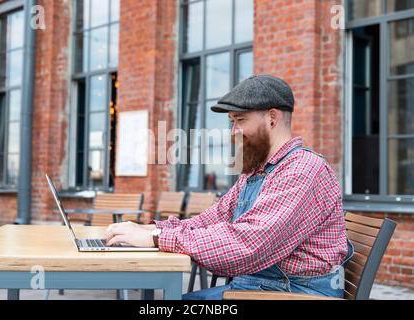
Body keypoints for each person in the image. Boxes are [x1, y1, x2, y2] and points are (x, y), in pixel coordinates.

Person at [105, 74, 353, 300]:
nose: (234, 131)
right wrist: (149, 230)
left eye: (241, 120)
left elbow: (247, 246)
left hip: (295, 292)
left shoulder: (302, 169)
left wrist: (158, 238)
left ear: (272, 118)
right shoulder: (258, 172)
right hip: (263, 286)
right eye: (232, 122)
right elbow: (210, 220)